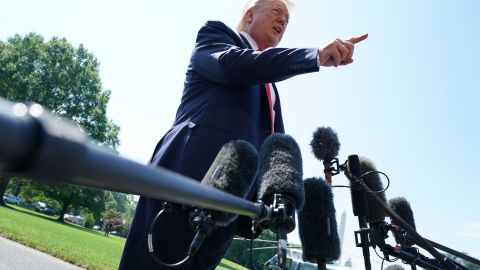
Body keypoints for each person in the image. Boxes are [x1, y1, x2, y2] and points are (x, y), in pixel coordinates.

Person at [119, 0, 367, 269]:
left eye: (287, 21)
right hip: (183, 184)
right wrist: (315, 55)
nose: (283, 22)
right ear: (250, 15)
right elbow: (234, 66)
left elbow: (272, 149)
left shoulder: (271, 87)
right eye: (277, 12)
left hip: (229, 210)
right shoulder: (215, 36)